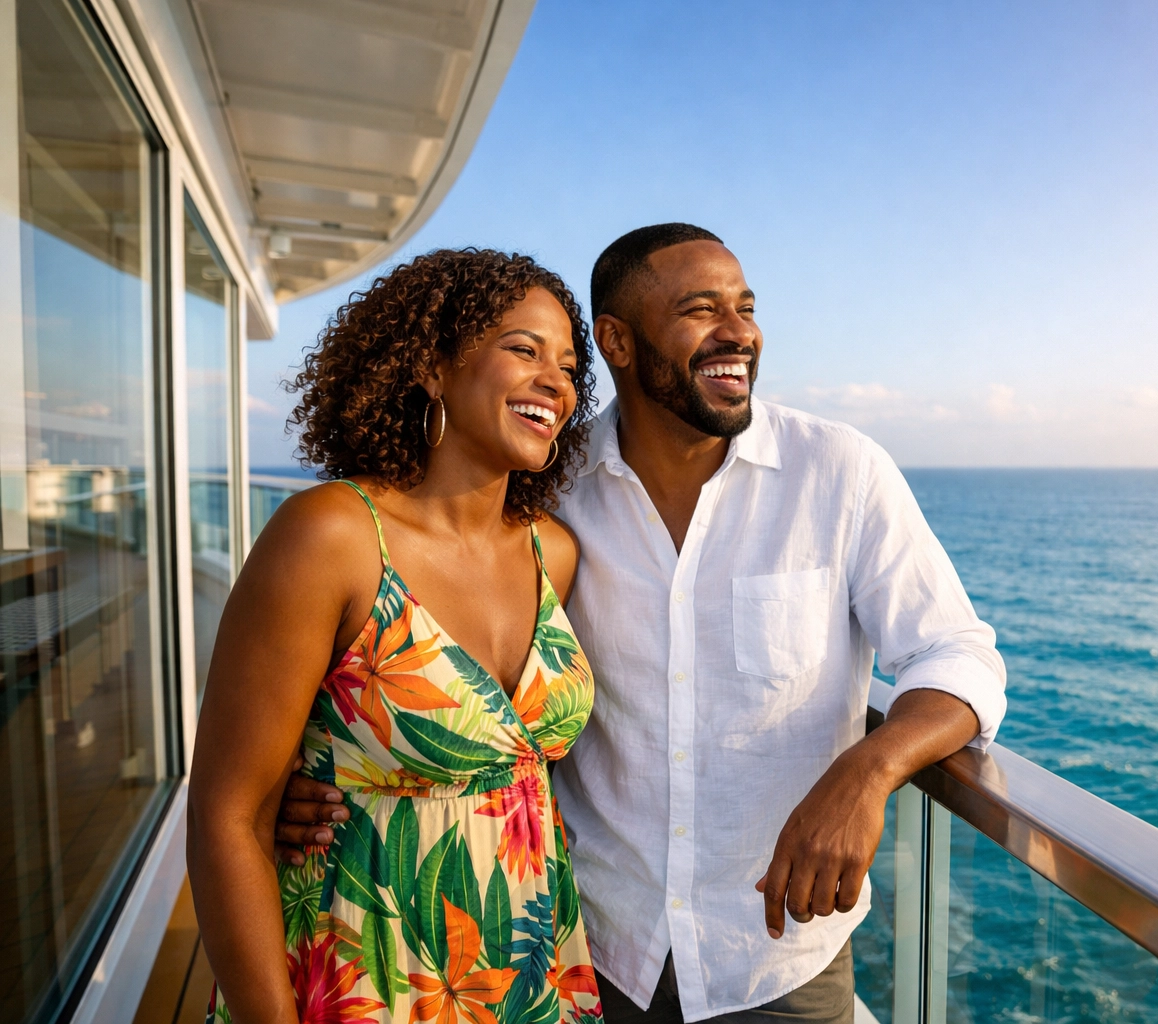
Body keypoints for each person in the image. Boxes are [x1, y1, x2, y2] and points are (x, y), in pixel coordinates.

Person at [278, 224, 1007, 1024]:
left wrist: (867, 774)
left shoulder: (840, 471)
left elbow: (958, 653)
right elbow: (412, 641)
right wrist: (306, 782)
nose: (740, 334)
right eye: (701, 310)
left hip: (775, 962)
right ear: (618, 342)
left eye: (746, 307)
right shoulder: (547, 496)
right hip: (585, 946)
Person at [188, 249, 606, 1024]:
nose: (557, 381)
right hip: (362, 967)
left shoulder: (556, 551)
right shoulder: (334, 537)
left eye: (569, 365)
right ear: (432, 367)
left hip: (524, 965)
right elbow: (229, 816)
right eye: (523, 349)